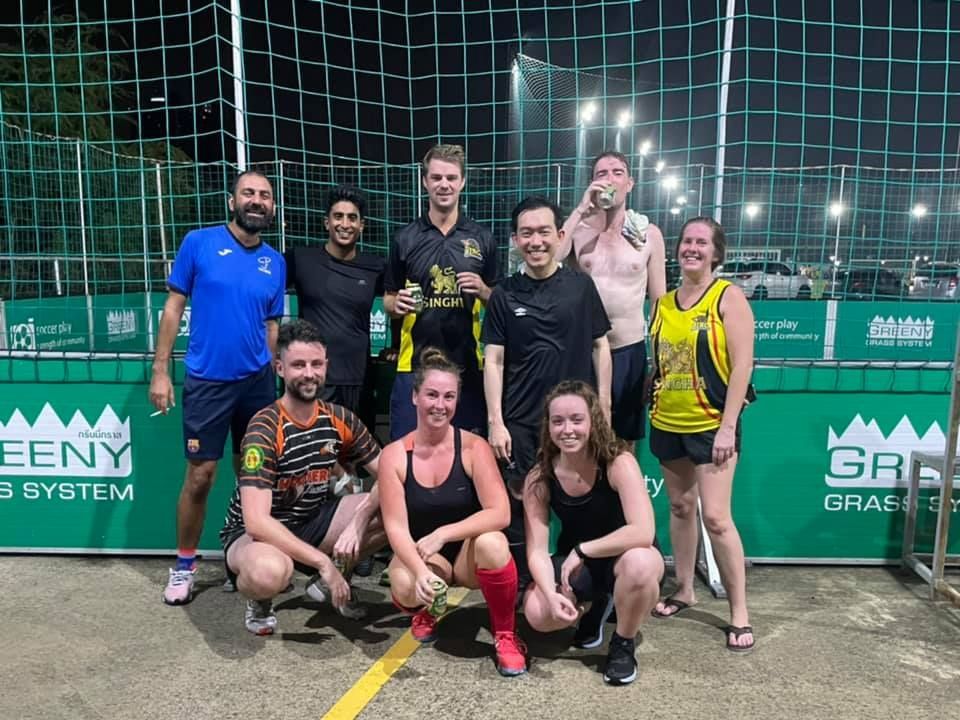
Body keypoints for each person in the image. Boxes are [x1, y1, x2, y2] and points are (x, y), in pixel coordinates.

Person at [150, 170, 285, 606]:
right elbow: (174, 307)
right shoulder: (199, 243)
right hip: (208, 382)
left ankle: (245, 558)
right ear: (232, 201)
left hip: (257, 387)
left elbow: (272, 325)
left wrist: (271, 374)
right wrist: (160, 370)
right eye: (249, 193)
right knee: (201, 476)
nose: (257, 200)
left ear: (273, 207)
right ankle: (184, 565)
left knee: (255, 477)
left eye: (265, 195)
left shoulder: (274, 261)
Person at [219, 320, 385, 635]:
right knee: (269, 573)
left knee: (395, 503)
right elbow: (256, 522)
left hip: (311, 521)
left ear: (326, 366)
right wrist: (323, 561)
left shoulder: (339, 418)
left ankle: (330, 581)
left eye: (316, 364)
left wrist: (359, 522)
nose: (309, 373)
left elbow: (391, 474)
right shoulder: (264, 428)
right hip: (257, 536)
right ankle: (260, 599)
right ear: (280, 368)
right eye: (298, 365)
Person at [482, 195, 612, 581]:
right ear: (515, 240)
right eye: (526, 233)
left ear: (559, 236)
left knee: (585, 504)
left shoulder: (581, 287)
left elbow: (601, 346)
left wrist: (603, 406)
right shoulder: (504, 294)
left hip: (575, 423)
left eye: (543, 232)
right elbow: (494, 360)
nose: (535, 241)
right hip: (522, 422)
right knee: (522, 507)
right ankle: (526, 587)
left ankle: (585, 587)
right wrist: (496, 422)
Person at [377, 347, 527, 677]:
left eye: (449, 397)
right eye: (432, 395)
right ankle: (429, 609)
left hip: (468, 557)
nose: (440, 405)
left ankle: (505, 634)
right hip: (428, 557)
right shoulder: (394, 455)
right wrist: (420, 572)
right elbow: (396, 528)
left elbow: (500, 512)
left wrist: (444, 534)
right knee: (403, 583)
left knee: (494, 542)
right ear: (415, 396)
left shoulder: (474, 447)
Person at [647, 216, 756, 652]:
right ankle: (685, 590)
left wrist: (728, 426)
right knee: (680, 507)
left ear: (716, 253)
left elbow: (743, 366)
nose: (691, 248)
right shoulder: (662, 304)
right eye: (686, 241)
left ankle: (739, 612)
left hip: (711, 425)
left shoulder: (727, 297)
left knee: (716, 518)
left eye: (701, 242)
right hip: (667, 422)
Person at [522, 380, 662, 685]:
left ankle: (622, 643)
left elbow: (643, 531)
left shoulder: (618, 462)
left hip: (625, 557)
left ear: (593, 421)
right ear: (548, 426)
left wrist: (583, 550)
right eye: (558, 421)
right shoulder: (539, 476)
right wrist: (550, 594)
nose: (567, 429)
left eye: (576, 419)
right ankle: (595, 606)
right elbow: (536, 551)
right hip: (579, 567)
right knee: (537, 613)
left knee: (640, 564)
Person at [382, 143, 498, 440]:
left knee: (468, 453)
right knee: (408, 453)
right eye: (436, 177)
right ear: (425, 181)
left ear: (463, 181)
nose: (443, 184)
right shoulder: (405, 238)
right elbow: (388, 301)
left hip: (467, 366)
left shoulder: (482, 238)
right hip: (414, 366)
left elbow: (500, 302)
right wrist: (397, 304)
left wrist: (483, 290)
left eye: (451, 177)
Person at [560, 151, 666, 450]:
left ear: (629, 183)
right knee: (578, 436)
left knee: (623, 444)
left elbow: (660, 304)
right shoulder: (578, 232)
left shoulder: (648, 235)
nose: (609, 179)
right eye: (601, 174)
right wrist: (580, 209)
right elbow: (550, 258)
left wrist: (658, 362)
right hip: (585, 350)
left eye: (617, 173)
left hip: (628, 350)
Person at [286, 184, 385, 421]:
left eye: (352, 218)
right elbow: (261, 288)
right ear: (327, 222)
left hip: (359, 380)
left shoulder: (376, 267)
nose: (345, 224)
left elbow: (397, 300)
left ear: (361, 225)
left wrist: (395, 346)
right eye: (338, 216)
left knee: (357, 444)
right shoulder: (300, 259)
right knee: (314, 443)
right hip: (313, 379)